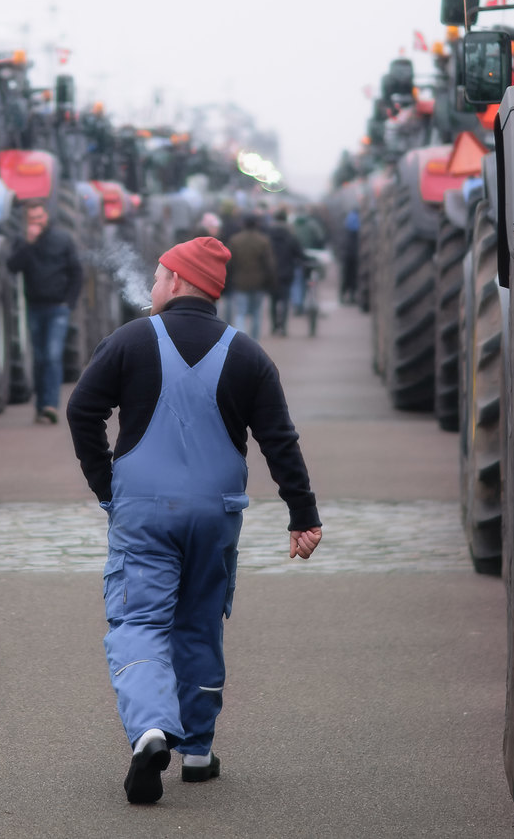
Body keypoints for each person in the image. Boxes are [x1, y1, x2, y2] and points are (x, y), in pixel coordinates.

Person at [67, 236, 322, 804]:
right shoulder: (249, 354)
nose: (153, 286)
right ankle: (199, 751)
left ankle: (152, 729)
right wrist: (302, 515)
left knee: (138, 622)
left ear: (178, 281)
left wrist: (105, 484)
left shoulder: (129, 342)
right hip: (216, 515)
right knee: (202, 620)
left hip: (143, 513)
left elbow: (82, 409)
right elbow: (279, 441)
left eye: (158, 277)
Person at [6, 200, 83, 423]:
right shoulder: (23, 242)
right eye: (32, 219)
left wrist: (68, 303)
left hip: (57, 308)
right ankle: (41, 406)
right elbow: (12, 266)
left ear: (46, 217)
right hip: (35, 308)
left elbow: (76, 272)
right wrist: (29, 244)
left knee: (52, 356)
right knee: (39, 359)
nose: (37, 223)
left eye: (39, 218)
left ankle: (51, 405)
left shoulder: (62, 239)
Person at [224, 215, 274, 337]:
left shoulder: (235, 240)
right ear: (257, 225)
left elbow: (228, 263)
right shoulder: (263, 241)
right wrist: (271, 281)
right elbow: (269, 264)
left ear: (243, 224)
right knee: (256, 313)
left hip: (240, 282)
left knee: (240, 313)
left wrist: (226, 280)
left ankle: (241, 340)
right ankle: (254, 341)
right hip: (259, 282)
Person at [264, 210, 302, 336]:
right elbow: (299, 254)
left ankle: (274, 326)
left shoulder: (267, 236)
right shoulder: (291, 236)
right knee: (285, 301)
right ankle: (283, 328)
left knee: (273, 301)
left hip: (271, 274)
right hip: (286, 273)